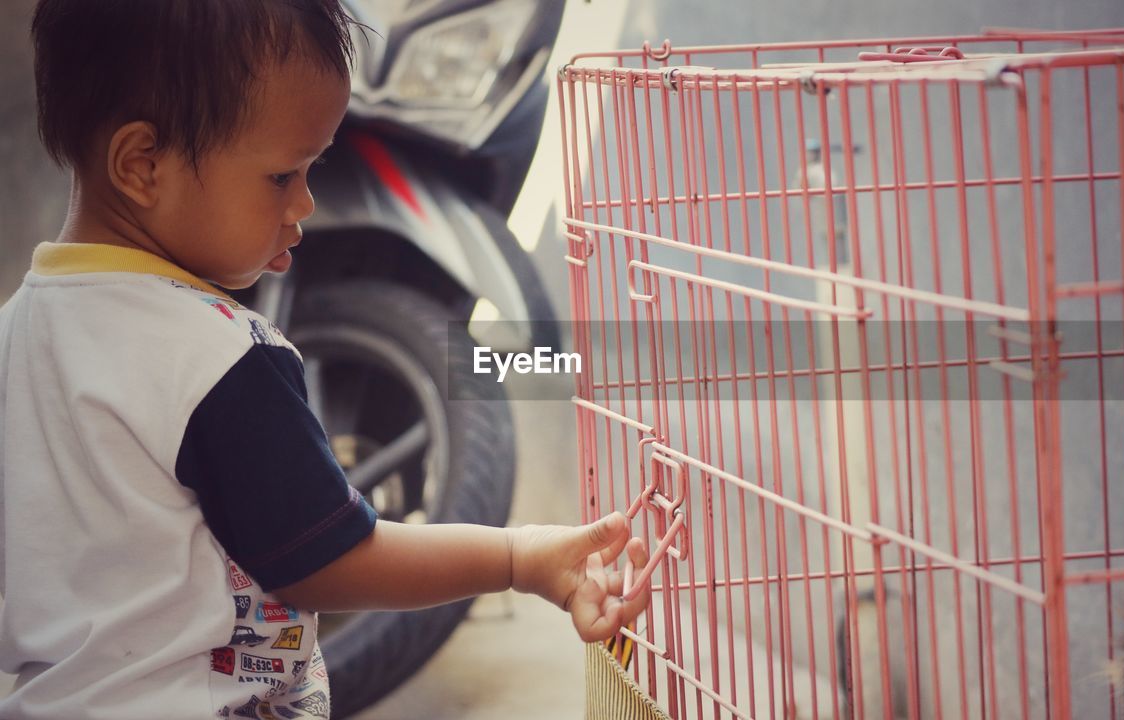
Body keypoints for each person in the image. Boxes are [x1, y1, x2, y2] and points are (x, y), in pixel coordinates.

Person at [0, 1, 649, 717]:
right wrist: (519, 557)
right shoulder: (216, 357)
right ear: (142, 165)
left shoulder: (14, 337)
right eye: (283, 175)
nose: (303, 203)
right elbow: (333, 559)